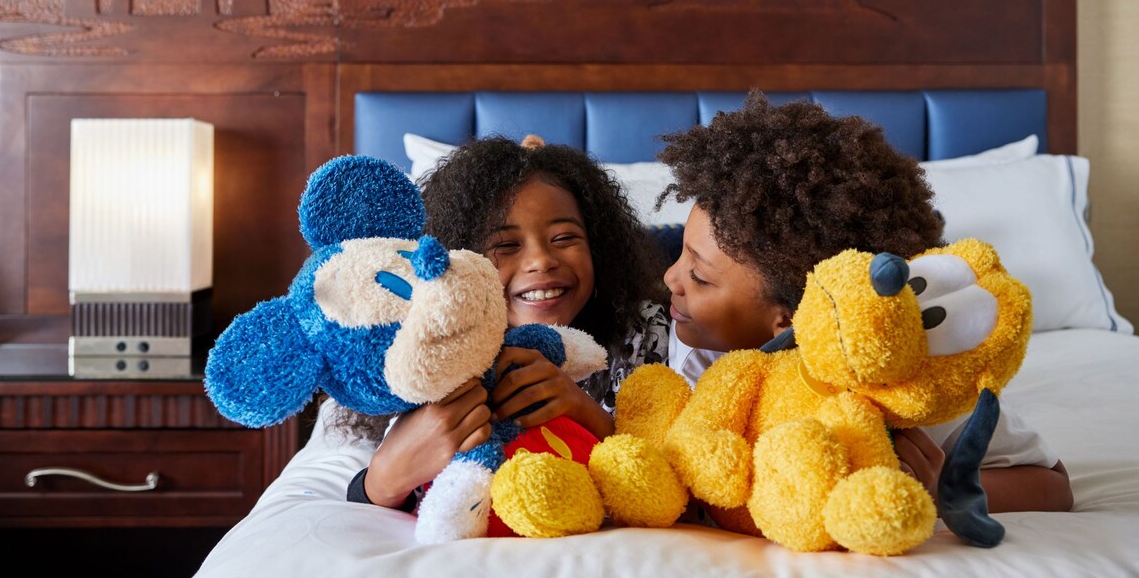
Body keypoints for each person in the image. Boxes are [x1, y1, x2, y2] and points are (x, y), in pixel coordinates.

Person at [657, 89, 1073, 514]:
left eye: (699, 276)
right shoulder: (693, 348)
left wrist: (938, 486)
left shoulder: (909, 379)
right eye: (681, 255)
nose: (670, 278)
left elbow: (1055, 486)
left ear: (790, 320)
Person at [341, 135, 670, 511]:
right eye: (506, 246)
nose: (541, 261)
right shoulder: (431, 348)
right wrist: (383, 478)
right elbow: (376, 491)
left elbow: (667, 475)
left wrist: (582, 410)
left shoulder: (643, 329)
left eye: (564, 238)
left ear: (599, 248)